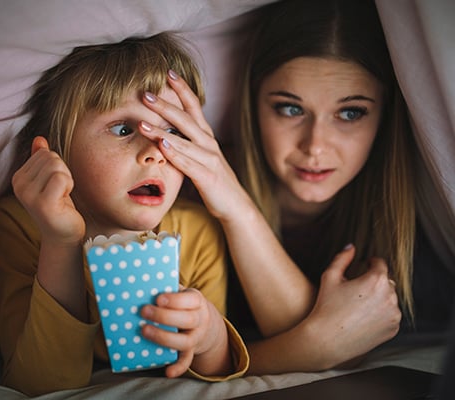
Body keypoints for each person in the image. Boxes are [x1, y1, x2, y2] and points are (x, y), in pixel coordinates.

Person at [136, 0, 453, 376]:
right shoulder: (186, 196)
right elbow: (337, 346)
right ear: (253, 104)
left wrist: (320, 347)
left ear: (385, 114)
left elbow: (345, 345)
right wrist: (317, 348)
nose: (315, 146)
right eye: (290, 109)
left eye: (350, 113)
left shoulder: (421, 219)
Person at [0, 33, 250, 396]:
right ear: (57, 147)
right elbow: (42, 383)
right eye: (124, 129)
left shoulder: (197, 233)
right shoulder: (20, 227)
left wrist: (211, 337)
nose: (156, 151)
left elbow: (212, 374)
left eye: (172, 131)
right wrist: (61, 243)